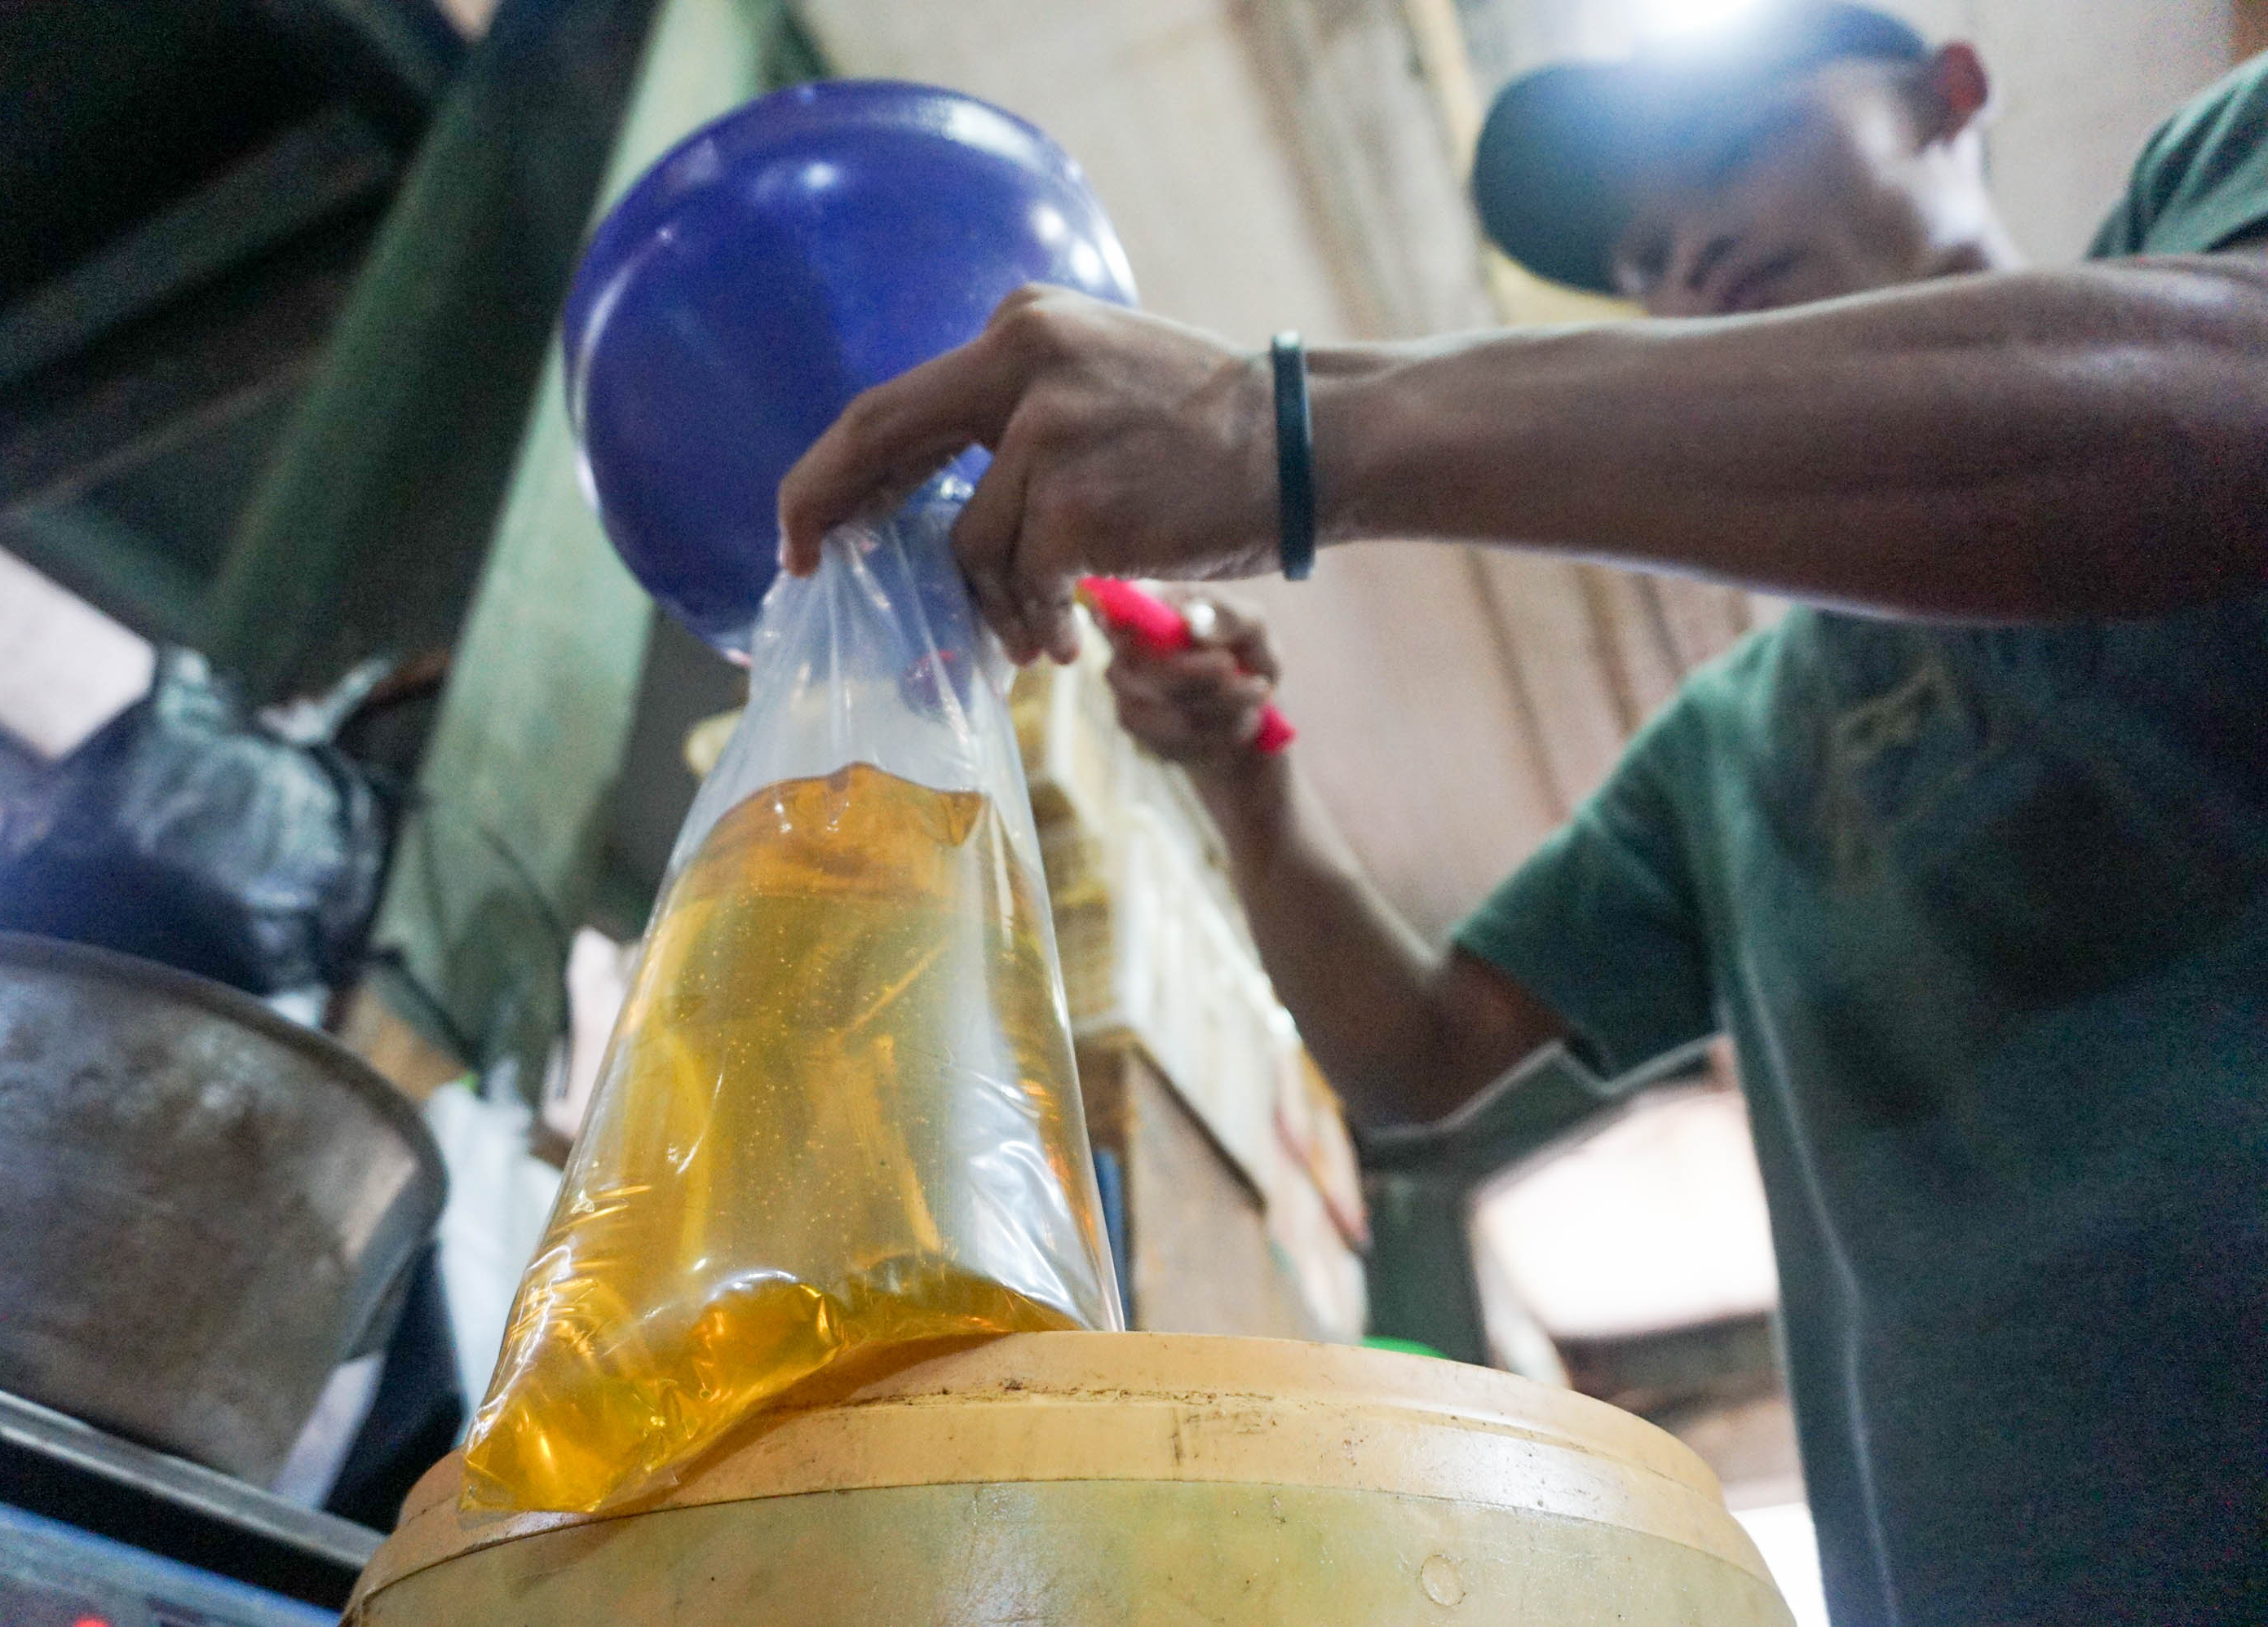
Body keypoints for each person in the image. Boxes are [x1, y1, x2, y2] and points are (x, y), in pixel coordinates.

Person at [777, 5, 2268, 1622]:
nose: (1678, 248)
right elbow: (1418, 1054)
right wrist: (1244, 768)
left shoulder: (2214, 177)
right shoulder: (1732, 750)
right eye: (1634, 253)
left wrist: (1295, 427)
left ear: (1945, 92)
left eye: (1723, 153)